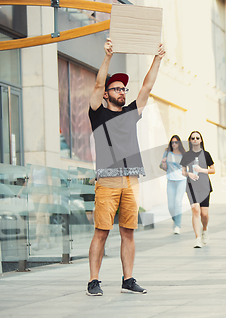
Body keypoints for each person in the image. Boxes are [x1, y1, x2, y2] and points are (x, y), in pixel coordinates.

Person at [86, 37, 165, 296]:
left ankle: (128, 279)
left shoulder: (132, 113)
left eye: (123, 89)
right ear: (107, 93)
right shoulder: (98, 113)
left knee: (128, 232)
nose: (122, 91)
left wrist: (158, 58)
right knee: (101, 232)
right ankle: (93, 281)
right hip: (107, 180)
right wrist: (107, 56)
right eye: (117, 88)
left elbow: (147, 86)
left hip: (131, 178)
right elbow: (98, 82)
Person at [180, 131, 215, 248]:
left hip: (204, 185)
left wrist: (201, 170)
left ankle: (204, 230)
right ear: (190, 140)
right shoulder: (186, 155)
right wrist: (189, 174)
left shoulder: (206, 154)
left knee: (204, 214)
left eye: (197, 138)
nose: (195, 140)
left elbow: (213, 170)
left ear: (201, 140)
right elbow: (183, 171)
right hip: (191, 185)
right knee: (195, 210)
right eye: (193, 138)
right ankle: (197, 238)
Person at [160, 135, 187, 234]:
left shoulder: (183, 154)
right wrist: (163, 163)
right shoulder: (167, 152)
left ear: (179, 143)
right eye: (172, 142)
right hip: (170, 180)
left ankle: (177, 226)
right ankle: (176, 220)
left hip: (181, 180)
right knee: (171, 206)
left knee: (177, 202)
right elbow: (163, 167)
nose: (174, 144)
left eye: (176, 142)